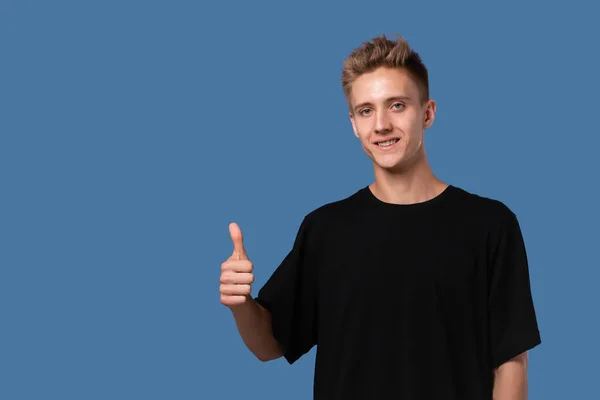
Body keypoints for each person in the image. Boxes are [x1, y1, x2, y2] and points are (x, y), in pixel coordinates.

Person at [219, 34, 541, 400]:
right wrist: (241, 304)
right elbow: (269, 345)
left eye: (397, 105)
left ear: (428, 113)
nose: (381, 124)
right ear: (354, 124)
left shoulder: (490, 225)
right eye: (366, 110)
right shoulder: (325, 230)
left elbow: (512, 361)